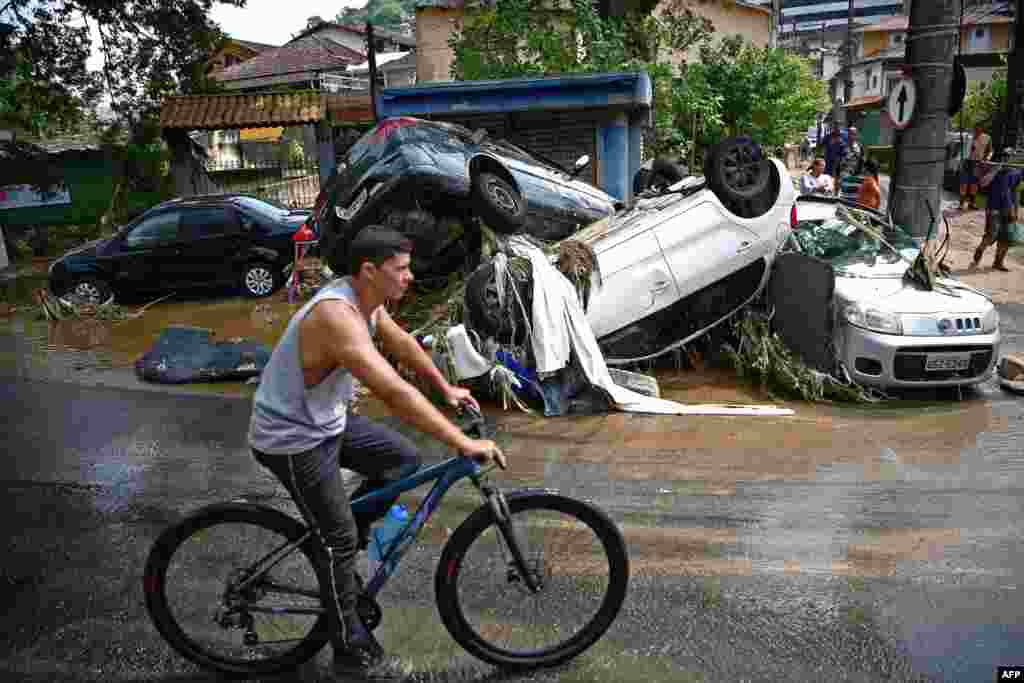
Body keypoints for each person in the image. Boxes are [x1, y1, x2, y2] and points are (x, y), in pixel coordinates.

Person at [248, 226, 506, 678]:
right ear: (369, 271)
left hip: (326, 422)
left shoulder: (367, 302)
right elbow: (390, 390)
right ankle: (348, 649)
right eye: (401, 269)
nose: (410, 277)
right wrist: (462, 442)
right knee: (339, 540)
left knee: (402, 462)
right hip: (290, 438)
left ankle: (340, 548)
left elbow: (401, 344)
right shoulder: (336, 316)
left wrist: (445, 387)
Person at [971, 152, 1021, 272]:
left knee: (1006, 237)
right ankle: (981, 249)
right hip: (995, 207)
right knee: (991, 234)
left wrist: (1015, 210)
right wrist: (1012, 209)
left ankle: (998, 262)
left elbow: (1014, 193)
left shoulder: (1016, 174)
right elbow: (1004, 191)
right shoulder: (1008, 173)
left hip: (1004, 208)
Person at [960, 126, 993, 211]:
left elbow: (990, 150)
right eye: (975, 129)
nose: (977, 131)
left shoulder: (987, 138)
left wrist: (986, 159)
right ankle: (961, 204)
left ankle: (972, 204)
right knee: (964, 183)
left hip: (977, 162)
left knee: (974, 184)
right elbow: (960, 148)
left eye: (979, 129)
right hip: (966, 161)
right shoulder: (967, 136)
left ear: (982, 129)